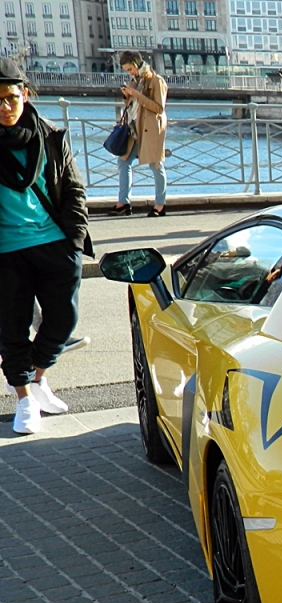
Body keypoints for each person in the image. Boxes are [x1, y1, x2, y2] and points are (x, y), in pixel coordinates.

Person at [0, 57, 91, 435]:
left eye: (10, 98)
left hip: (54, 242)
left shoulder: (50, 135)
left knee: (62, 320)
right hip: (6, 250)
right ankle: (23, 400)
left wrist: (74, 238)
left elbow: (73, 188)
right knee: (11, 328)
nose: (4, 108)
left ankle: (36, 379)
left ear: (25, 93)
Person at [110, 51, 167, 217]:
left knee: (155, 165)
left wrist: (136, 95)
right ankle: (123, 203)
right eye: (127, 70)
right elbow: (133, 105)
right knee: (123, 162)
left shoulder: (156, 81)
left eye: (130, 69)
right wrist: (127, 95)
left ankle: (160, 205)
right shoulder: (135, 81)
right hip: (134, 128)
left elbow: (159, 108)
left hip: (151, 129)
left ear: (136, 64)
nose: (129, 73)